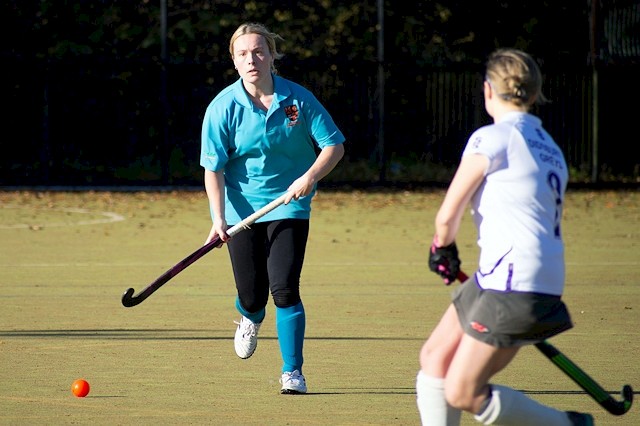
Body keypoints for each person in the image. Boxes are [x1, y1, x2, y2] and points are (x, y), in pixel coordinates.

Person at [416, 48, 594, 425]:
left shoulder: (492, 137)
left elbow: (449, 212)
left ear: (488, 91)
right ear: (533, 93)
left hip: (513, 282)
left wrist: (442, 246)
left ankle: (567, 424)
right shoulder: (552, 149)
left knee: (462, 390)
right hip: (511, 275)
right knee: (434, 359)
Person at [200, 22, 345, 395]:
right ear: (234, 60)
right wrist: (218, 220)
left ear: (272, 56)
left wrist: (309, 177)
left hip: (289, 206)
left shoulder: (298, 99)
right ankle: (249, 317)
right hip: (240, 211)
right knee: (252, 296)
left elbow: (333, 146)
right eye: (243, 54)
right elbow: (213, 170)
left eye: (259, 51)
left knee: (284, 288)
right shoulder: (222, 108)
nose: (252, 60)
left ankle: (292, 372)